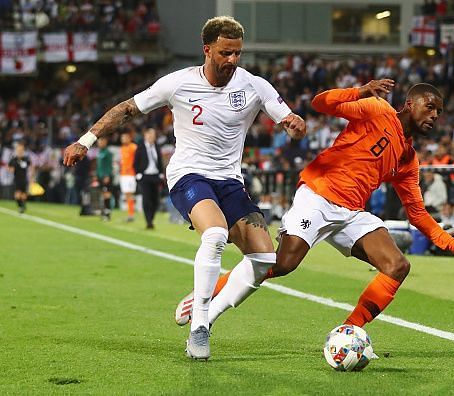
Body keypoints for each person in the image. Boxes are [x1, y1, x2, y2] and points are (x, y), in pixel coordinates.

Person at [62, 15, 305, 360]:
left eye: (237, 53)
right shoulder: (178, 83)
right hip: (188, 175)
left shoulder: (254, 85)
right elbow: (127, 109)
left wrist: (294, 126)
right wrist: (86, 140)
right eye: (225, 53)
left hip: (229, 180)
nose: (232, 61)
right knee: (216, 233)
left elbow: (289, 121)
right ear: (207, 50)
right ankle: (199, 330)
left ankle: (205, 311)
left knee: (265, 258)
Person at [176, 80, 454, 336]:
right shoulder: (376, 108)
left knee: (398, 266)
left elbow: (418, 213)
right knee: (284, 263)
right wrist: (359, 91)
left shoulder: (408, 159)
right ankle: (206, 294)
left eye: (439, 111)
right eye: (430, 107)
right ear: (411, 103)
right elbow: (320, 103)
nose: (435, 116)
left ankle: (350, 331)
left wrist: (453, 244)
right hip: (317, 195)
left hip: (350, 213)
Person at [134, 128, 164, 229]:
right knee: (146, 199)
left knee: (155, 200)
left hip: (155, 176)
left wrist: (161, 173)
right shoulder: (140, 147)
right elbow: (135, 162)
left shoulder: (156, 146)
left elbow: (159, 160)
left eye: (153, 135)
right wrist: (138, 173)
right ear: (145, 135)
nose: (152, 137)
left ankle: (151, 218)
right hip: (145, 176)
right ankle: (149, 221)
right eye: (150, 135)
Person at [8, 141, 31, 214]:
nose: (20, 151)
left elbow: (30, 167)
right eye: (18, 150)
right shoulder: (13, 159)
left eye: (21, 150)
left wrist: (32, 178)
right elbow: (10, 169)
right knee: (17, 195)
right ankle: (20, 207)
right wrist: (12, 169)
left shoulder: (26, 159)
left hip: (24, 179)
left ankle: (22, 206)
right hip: (17, 179)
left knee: (24, 195)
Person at [119, 131, 137, 222]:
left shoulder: (133, 147)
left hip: (131, 174)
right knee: (126, 194)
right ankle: (130, 213)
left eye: (125, 137)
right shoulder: (122, 148)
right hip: (123, 174)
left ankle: (131, 214)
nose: (123, 139)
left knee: (130, 194)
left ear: (129, 138)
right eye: (122, 138)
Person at [96, 137, 114, 221]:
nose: (99, 143)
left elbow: (110, 165)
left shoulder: (107, 152)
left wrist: (107, 175)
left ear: (105, 142)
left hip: (106, 177)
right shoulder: (99, 152)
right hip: (100, 176)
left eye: (101, 141)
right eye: (99, 141)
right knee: (103, 195)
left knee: (107, 194)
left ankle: (107, 214)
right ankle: (104, 212)